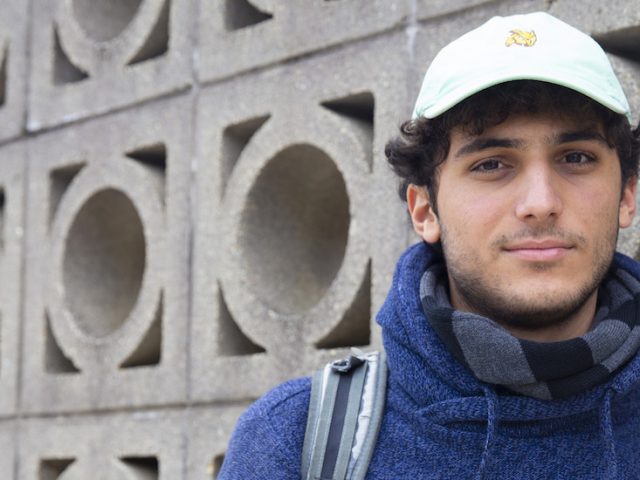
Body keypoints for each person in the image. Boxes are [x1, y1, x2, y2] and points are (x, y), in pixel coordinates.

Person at [218, 11, 640, 479]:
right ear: (425, 211)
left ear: (626, 195)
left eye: (576, 158)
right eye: (491, 164)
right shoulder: (290, 441)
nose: (540, 204)